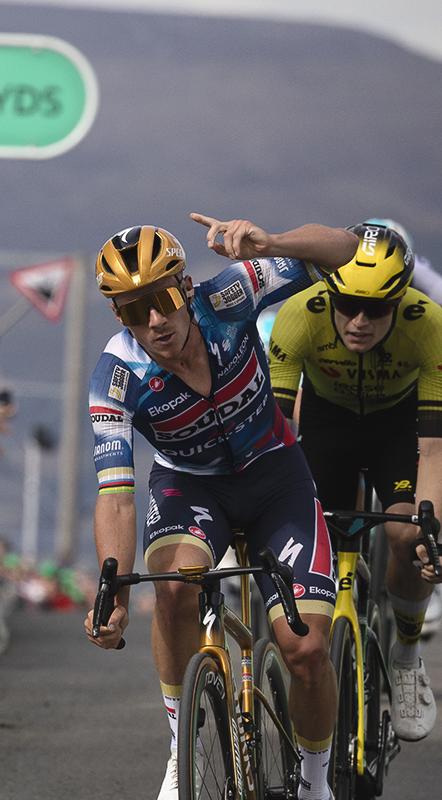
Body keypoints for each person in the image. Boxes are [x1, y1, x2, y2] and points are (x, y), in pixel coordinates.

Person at [84, 214, 360, 800]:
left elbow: (347, 249)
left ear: (184, 287)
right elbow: (115, 492)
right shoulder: (117, 375)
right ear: (119, 317)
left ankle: (314, 784)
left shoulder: (233, 294)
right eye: (135, 310)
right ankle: (184, 747)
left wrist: (273, 242)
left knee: (307, 649)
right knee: (176, 589)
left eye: (161, 298)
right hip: (192, 488)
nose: (154, 320)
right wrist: (112, 594)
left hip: (275, 475)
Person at [267, 223, 442, 743]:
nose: (360, 321)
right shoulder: (300, 316)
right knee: (314, 532)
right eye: (346, 304)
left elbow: (433, 449)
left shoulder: (429, 325)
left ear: (402, 300)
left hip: (398, 426)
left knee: (407, 536)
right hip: (328, 425)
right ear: (328, 292)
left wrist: (430, 523)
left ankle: (406, 655)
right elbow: (275, 441)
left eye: (378, 309)